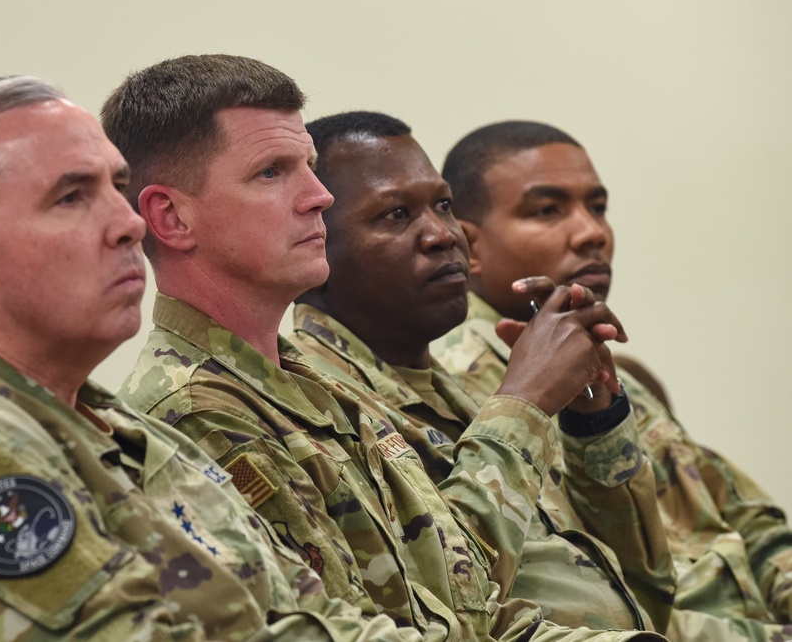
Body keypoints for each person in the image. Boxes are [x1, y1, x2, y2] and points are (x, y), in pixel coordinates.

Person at [0, 75, 428, 641]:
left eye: (115, 189)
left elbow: (311, 616)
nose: (128, 224)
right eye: (71, 197)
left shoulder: (123, 431)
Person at [105, 54, 664, 641]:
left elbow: (463, 605)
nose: (319, 196)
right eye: (272, 172)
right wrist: (522, 405)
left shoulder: (317, 389)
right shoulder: (193, 412)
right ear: (169, 217)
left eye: (310, 167)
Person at [288, 110, 675, 633]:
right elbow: (446, 609)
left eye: (442, 206)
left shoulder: (460, 393)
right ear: (316, 244)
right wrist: (526, 402)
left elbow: (646, 591)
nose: (442, 235)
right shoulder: (309, 410)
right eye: (396, 214)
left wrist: (594, 420)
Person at [432, 120, 792, 641]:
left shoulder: (596, 358)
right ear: (470, 245)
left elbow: (752, 521)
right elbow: (585, 599)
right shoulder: (469, 383)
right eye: (546, 210)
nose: (591, 231)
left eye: (597, 206)